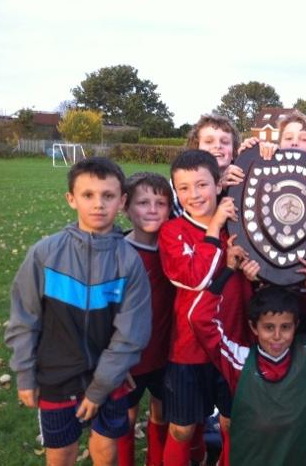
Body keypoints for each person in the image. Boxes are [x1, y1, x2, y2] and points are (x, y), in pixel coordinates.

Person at [5, 157, 152, 466]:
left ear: (122, 201)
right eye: (88, 195)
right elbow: (24, 318)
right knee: (61, 455)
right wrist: (25, 375)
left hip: (109, 379)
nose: (98, 204)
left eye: (108, 196)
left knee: (105, 450)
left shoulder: (129, 262)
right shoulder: (45, 254)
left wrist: (100, 389)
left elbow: (131, 335)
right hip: (56, 378)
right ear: (71, 198)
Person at [187, 237, 306, 466]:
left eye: (285, 327)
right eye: (269, 328)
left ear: (296, 326)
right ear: (254, 328)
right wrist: (228, 271)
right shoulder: (239, 362)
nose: (278, 336)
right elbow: (199, 319)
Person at [158, 150, 251, 466]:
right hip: (188, 348)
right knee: (183, 429)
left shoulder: (239, 226)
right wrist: (213, 228)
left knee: (232, 423)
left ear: (217, 184)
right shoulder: (172, 232)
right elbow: (193, 277)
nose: (194, 195)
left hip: (233, 344)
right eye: (184, 188)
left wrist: (253, 275)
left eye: (202, 185)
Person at [117, 172, 175, 466]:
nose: (152, 209)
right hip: (130, 359)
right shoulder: (118, 253)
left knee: (161, 411)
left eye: (161, 202)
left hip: (165, 354)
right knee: (125, 417)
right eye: (143, 202)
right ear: (126, 207)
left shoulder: (173, 250)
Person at [239, 110, 306, 165]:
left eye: (304, 139)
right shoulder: (265, 167)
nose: (294, 142)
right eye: (289, 138)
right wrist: (248, 154)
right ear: (279, 144)